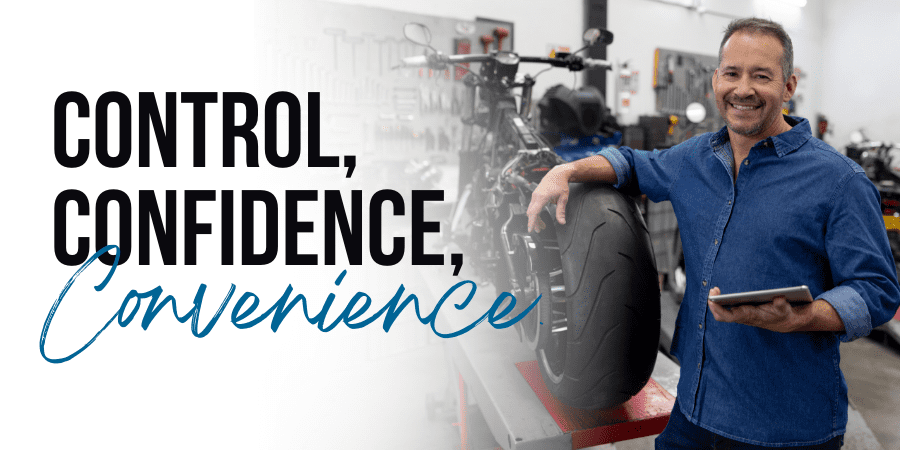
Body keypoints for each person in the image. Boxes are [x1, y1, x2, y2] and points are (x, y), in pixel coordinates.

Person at [526, 17, 900, 449]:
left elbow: (876, 290)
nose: (743, 89)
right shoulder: (695, 159)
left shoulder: (840, 181)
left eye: (762, 76)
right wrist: (566, 170)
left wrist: (806, 316)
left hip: (786, 428)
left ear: (788, 86)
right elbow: (631, 162)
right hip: (694, 411)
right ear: (715, 80)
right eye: (732, 73)